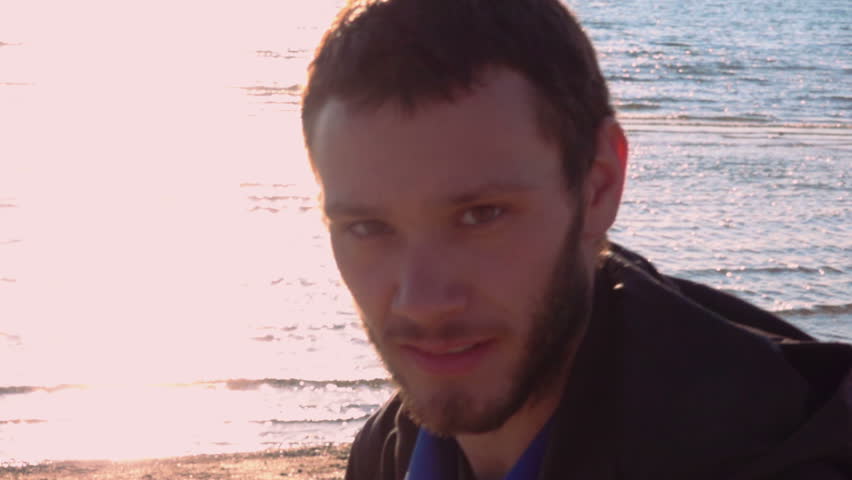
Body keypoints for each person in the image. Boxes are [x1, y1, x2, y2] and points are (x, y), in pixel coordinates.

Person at [299, 0, 852, 478]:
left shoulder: (779, 459)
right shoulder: (388, 452)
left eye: (481, 214)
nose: (421, 300)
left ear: (598, 186)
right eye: (367, 227)